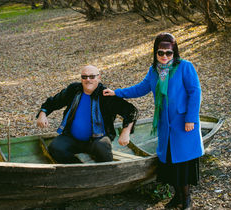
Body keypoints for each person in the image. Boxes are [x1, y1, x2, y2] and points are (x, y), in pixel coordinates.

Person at [103, 33, 202, 209]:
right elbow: (140, 89)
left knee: (182, 163)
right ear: (155, 53)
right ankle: (177, 197)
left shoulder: (185, 67)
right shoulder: (154, 71)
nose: (164, 56)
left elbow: (195, 92)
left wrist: (191, 119)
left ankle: (186, 199)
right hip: (165, 123)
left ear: (174, 52)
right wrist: (117, 92)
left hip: (183, 123)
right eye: (160, 52)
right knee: (170, 162)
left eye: (168, 53)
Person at [36, 65, 138, 164]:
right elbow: (54, 101)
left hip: (97, 139)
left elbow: (131, 111)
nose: (88, 79)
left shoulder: (106, 95)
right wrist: (42, 113)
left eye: (92, 76)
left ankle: (107, 173)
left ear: (99, 77)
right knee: (55, 148)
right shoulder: (74, 90)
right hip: (72, 137)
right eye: (84, 77)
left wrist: (125, 132)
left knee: (102, 149)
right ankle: (77, 168)